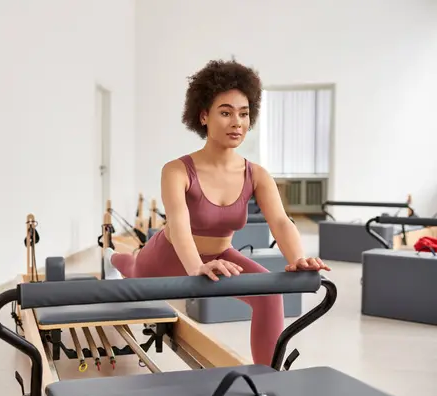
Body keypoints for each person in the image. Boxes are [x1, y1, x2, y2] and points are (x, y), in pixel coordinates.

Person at [103, 58, 330, 367]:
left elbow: (280, 221)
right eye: (225, 112)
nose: (237, 122)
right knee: (133, 269)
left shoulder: (257, 174)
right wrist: (195, 266)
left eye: (244, 114)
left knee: (269, 294)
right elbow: (179, 223)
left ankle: (267, 378)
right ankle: (114, 258)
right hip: (167, 255)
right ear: (204, 116)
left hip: (222, 256)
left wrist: (297, 259)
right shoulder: (176, 170)